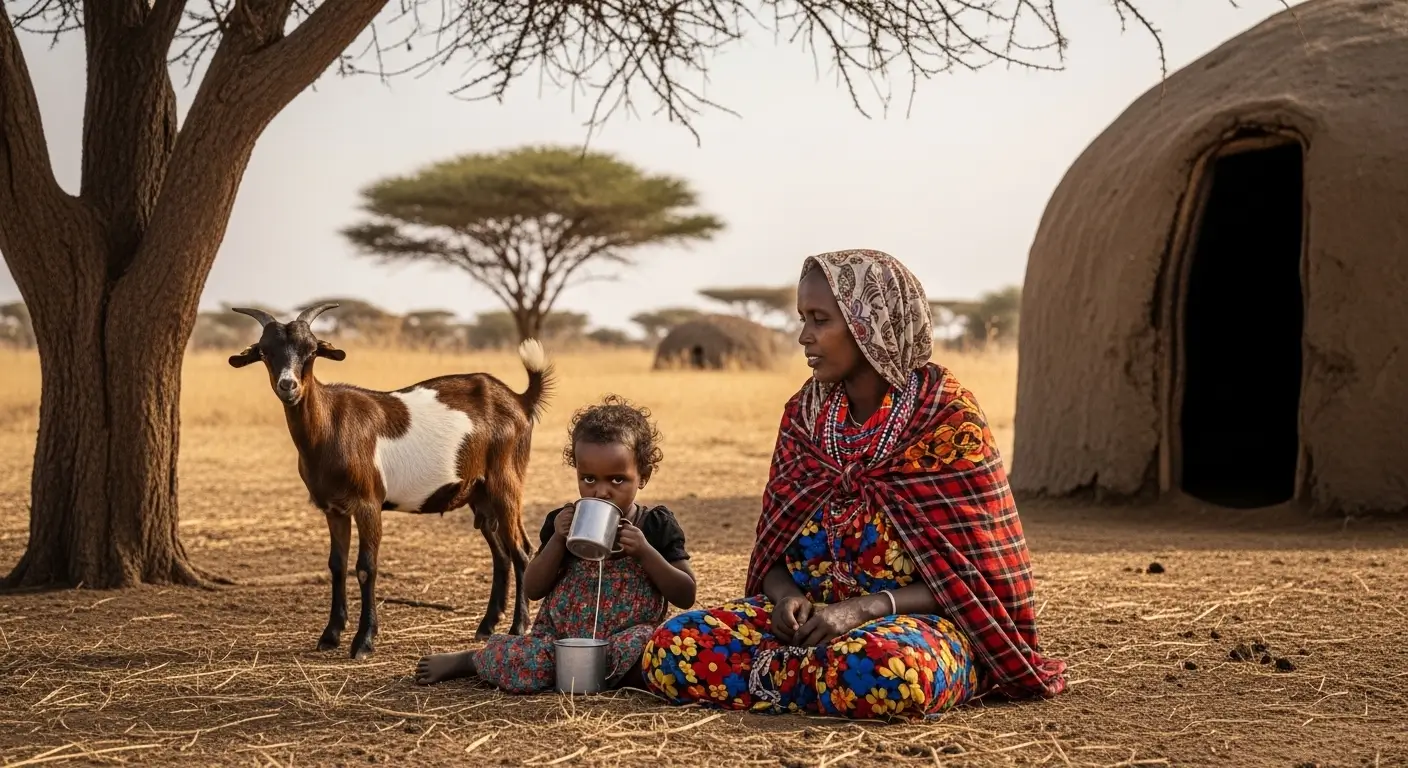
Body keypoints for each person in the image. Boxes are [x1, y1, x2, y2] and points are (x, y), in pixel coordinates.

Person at [640, 249, 1067, 721]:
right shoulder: (804, 419)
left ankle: (804, 680)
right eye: (802, 318)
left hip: (915, 628)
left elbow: (976, 579)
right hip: (807, 628)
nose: (804, 337)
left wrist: (863, 611)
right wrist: (786, 599)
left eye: (820, 320)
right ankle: (818, 682)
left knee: (884, 670)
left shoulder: (944, 418)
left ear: (872, 323)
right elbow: (774, 555)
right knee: (673, 646)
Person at [415, 395, 697, 691]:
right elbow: (534, 589)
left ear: (643, 476)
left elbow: (685, 594)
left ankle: (609, 673)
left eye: (617, 480)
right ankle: (472, 660)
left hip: (625, 640)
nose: (601, 492)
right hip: (561, 641)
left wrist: (645, 553)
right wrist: (560, 540)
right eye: (588, 479)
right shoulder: (564, 522)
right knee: (532, 660)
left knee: (652, 650)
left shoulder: (655, 526)